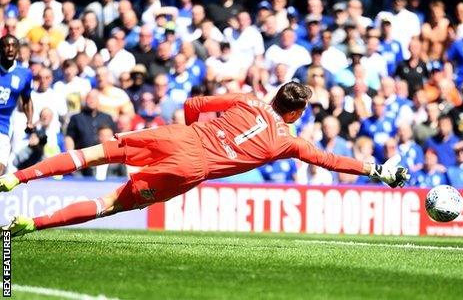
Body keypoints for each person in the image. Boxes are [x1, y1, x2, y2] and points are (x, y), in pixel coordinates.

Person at [0, 82, 408, 236]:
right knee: (110, 203)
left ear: (275, 95)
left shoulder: (247, 98)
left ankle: (17, 177)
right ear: (297, 112)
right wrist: (378, 170)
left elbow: (193, 103)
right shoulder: (289, 141)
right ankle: (29, 224)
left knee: (91, 153)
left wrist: (197, 131)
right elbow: (331, 161)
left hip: (179, 135)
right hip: (192, 167)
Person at [0, 35, 34, 174]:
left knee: (1, 167)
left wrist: (30, 121)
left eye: (14, 46)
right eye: (6, 46)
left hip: (4, 126)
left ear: (18, 50)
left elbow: (26, 100)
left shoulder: (24, 74)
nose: (10, 49)